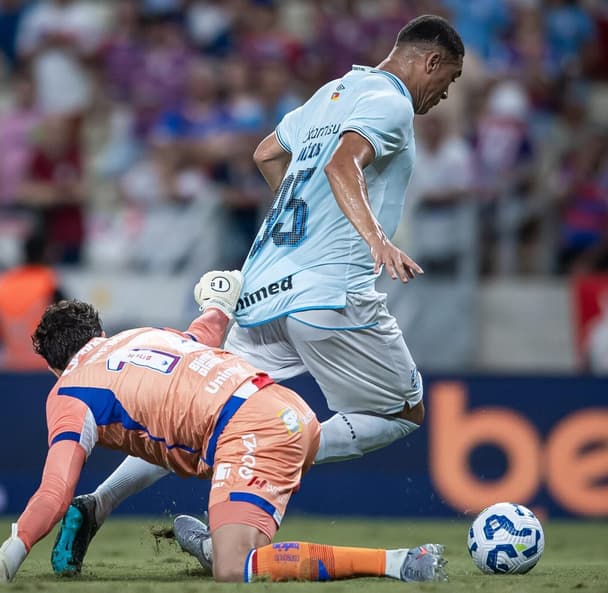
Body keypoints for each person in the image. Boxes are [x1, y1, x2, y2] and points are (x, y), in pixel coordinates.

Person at [51, 14, 465, 576]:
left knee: (202, 411)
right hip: (329, 291)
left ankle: (97, 504)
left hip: (263, 286)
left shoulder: (330, 93)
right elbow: (344, 163)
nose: (446, 94)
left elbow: (267, 154)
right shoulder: (390, 102)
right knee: (404, 411)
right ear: (432, 62)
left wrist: (307, 225)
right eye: (451, 79)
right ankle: (249, 451)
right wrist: (376, 241)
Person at [0, 272, 447, 584]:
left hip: (248, 433)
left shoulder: (69, 392)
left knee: (235, 569)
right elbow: (204, 332)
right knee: (170, 434)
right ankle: (202, 540)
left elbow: (54, 490)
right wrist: (219, 299)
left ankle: (400, 562)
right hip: (283, 408)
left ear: (54, 366)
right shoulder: (143, 335)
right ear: (99, 333)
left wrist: (9, 553)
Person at [0, 231, 65, 370]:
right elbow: (68, 324)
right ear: (45, 253)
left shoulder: (2, 283)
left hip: (9, 364)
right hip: (44, 366)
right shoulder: (48, 281)